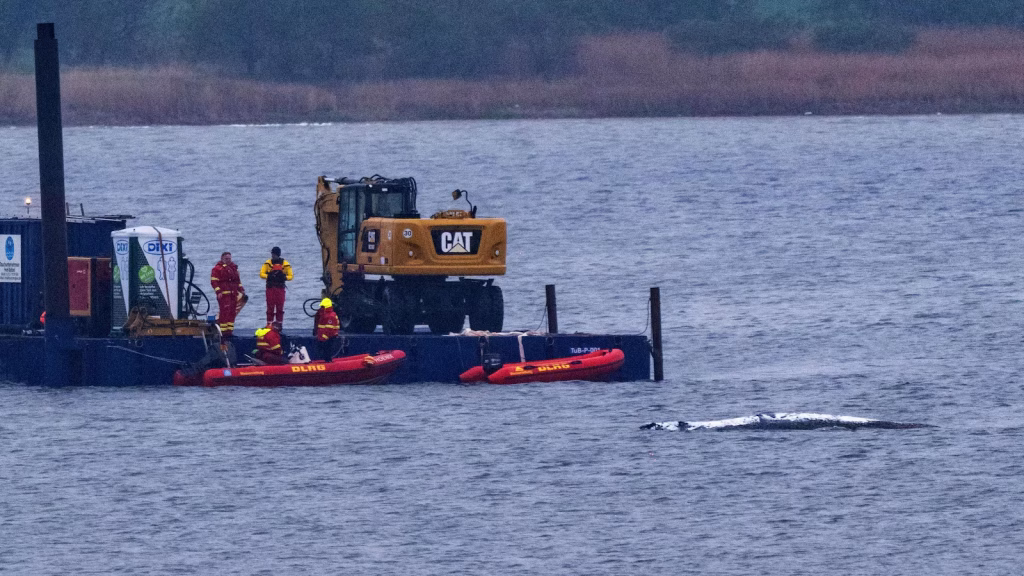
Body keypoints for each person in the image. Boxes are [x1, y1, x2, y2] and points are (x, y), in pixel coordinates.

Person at [210, 252, 244, 340]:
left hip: (233, 294)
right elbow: (214, 282)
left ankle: (230, 332)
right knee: (224, 313)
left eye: (229, 258)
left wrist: (241, 289)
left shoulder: (233, 268)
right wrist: (218, 292)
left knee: (232, 313)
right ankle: (223, 332)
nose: (228, 260)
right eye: (226, 259)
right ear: (222, 259)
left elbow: (237, 281)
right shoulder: (217, 269)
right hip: (224, 295)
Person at [260, 246, 293, 326]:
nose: (272, 255)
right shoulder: (268, 263)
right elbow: (261, 274)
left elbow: (291, 276)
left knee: (280, 308)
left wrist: (284, 277)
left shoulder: (285, 264)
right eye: (272, 254)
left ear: (277, 254)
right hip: (270, 288)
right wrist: (269, 276)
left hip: (280, 289)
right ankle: (269, 325)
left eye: (274, 254)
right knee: (270, 308)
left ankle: (279, 326)